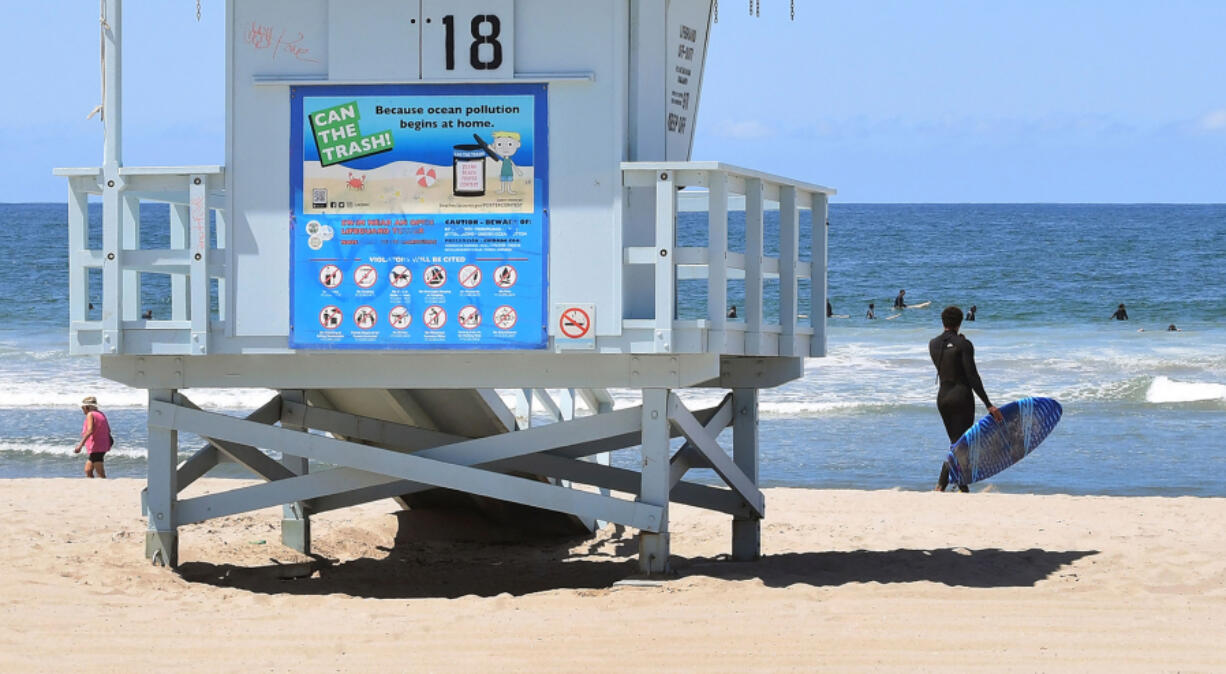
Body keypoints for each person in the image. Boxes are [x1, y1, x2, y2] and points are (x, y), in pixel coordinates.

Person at [929, 306, 1003, 492]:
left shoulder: (933, 343)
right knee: (960, 444)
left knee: (958, 442)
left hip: (943, 397)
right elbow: (972, 377)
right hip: (961, 396)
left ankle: (962, 487)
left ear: (943, 321)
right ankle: (941, 485)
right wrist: (989, 404)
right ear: (960, 322)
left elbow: (946, 361)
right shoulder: (964, 344)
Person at [72, 396, 112, 479]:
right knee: (88, 470)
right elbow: (108, 429)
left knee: (100, 472)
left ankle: (104, 486)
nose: (82, 410)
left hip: (96, 445)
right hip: (103, 444)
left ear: (87, 407)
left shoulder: (90, 414)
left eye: (83, 408)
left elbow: (90, 430)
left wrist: (80, 445)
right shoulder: (101, 413)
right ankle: (93, 485)